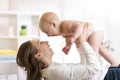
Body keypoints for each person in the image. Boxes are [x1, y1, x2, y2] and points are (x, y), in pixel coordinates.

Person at [16, 28, 109, 80]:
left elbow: (86, 68)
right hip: (108, 75)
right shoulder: (55, 72)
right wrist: (82, 41)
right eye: (41, 43)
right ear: (38, 55)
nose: (46, 42)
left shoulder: (53, 70)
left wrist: (78, 43)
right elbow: (94, 68)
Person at [39, 12, 119, 67]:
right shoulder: (62, 33)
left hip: (93, 31)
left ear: (53, 24)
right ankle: (115, 63)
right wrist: (68, 47)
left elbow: (79, 25)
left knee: (93, 51)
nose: (48, 36)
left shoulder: (65, 25)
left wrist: (74, 36)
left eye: (47, 32)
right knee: (101, 51)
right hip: (90, 35)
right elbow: (68, 38)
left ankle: (96, 67)